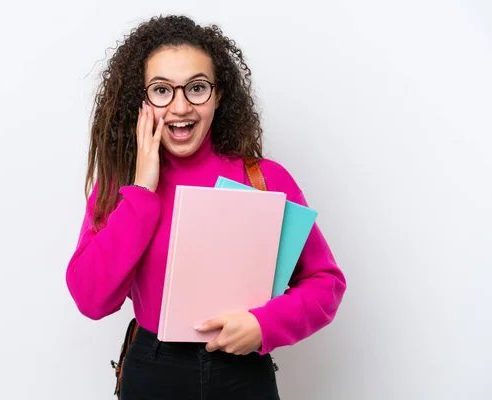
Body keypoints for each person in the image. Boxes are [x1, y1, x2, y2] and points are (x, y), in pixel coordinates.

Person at [66, 14, 346, 400]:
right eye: (162, 90)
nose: (181, 107)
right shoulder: (120, 185)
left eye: (196, 88)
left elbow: (325, 283)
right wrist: (143, 192)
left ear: (218, 95)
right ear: (142, 101)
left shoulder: (264, 179)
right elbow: (91, 298)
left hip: (242, 372)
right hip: (152, 369)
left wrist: (264, 325)